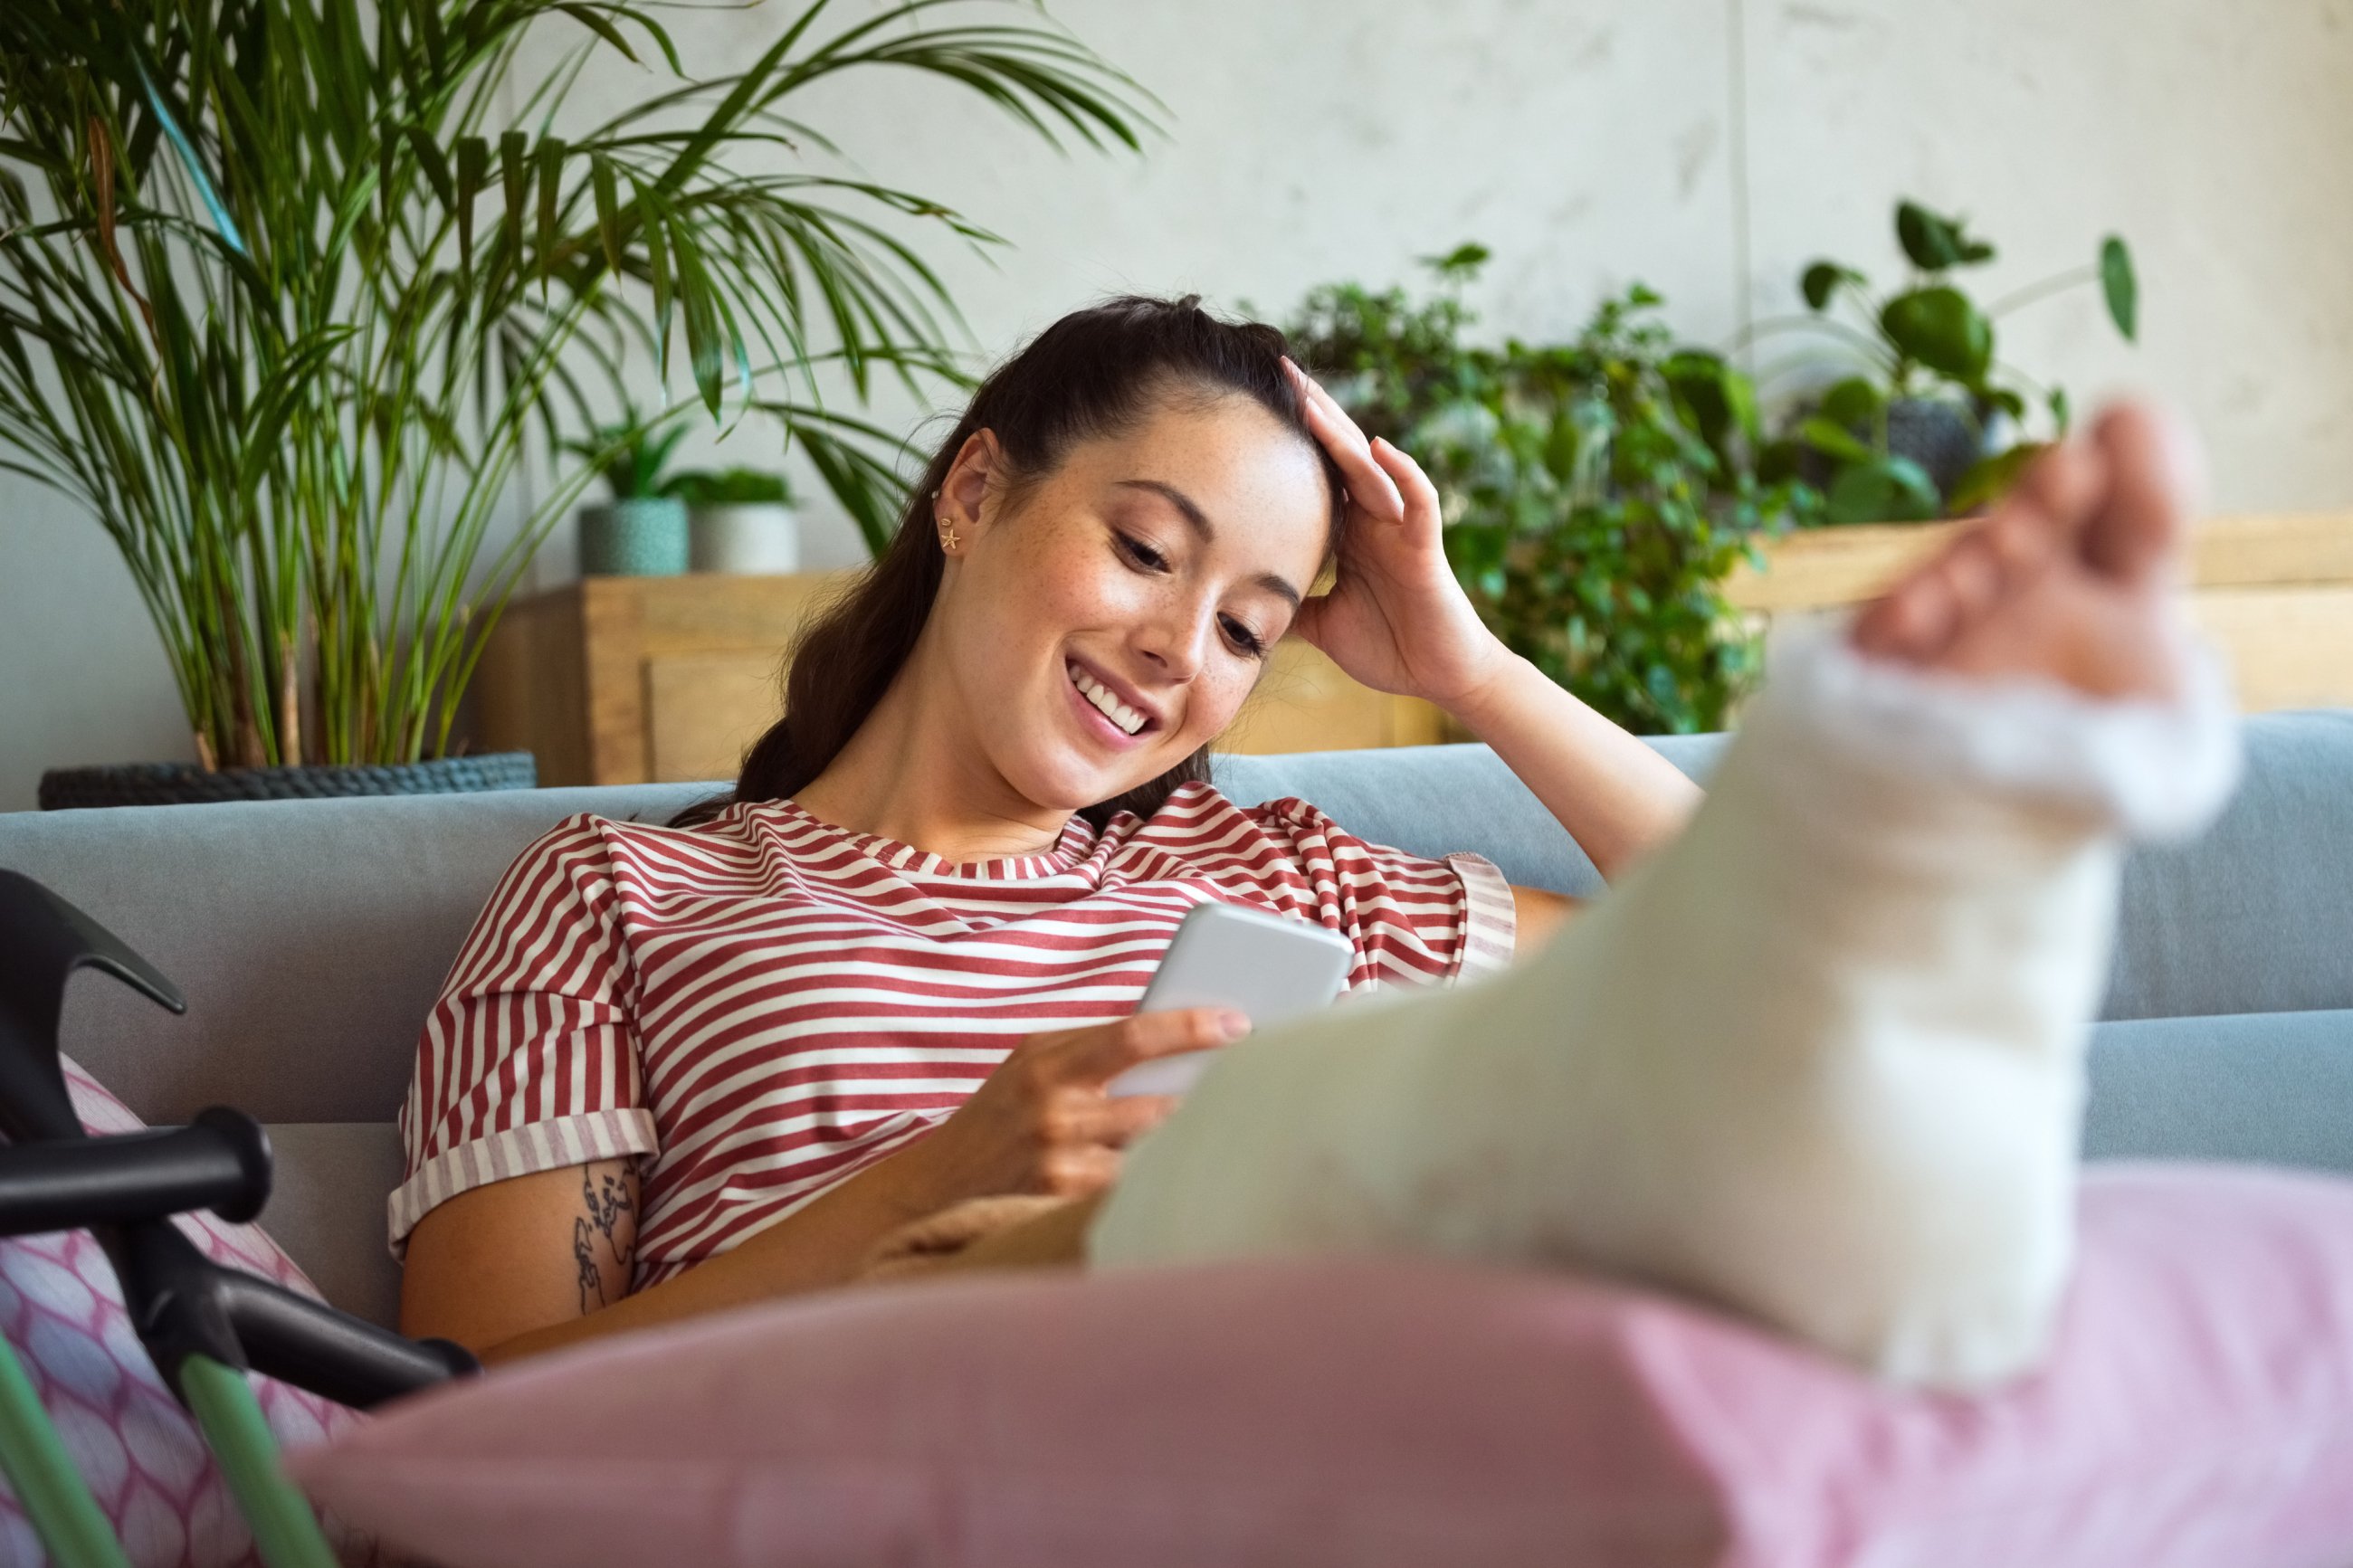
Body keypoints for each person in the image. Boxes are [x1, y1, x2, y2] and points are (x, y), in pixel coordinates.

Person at [396, 297, 2234, 1389]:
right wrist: (922, 1189)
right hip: (855, 1451)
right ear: (972, 492)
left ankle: (1923, 847)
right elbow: (454, 1420)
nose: (1173, 653)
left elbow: (1748, 967)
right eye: (1142, 550)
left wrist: (1472, 667)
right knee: (1260, 1197)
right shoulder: (623, 897)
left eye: (1249, 624)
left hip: (1294, 1446)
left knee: (1702, 1073)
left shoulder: (1271, 878)